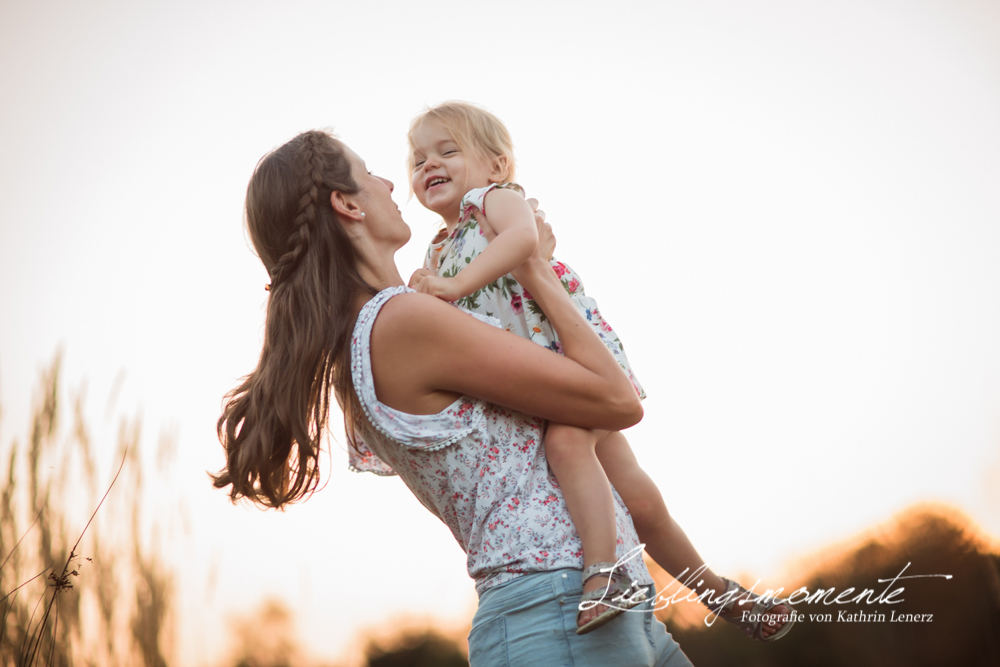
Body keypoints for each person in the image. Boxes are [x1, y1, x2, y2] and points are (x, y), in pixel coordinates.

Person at [213, 129, 696, 665]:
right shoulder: (402, 322)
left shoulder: (372, 332)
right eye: (370, 172)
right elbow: (617, 400)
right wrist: (533, 266)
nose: (391, 181)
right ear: (347, 204)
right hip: (555, 607)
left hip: (592, 603)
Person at [403, 101, 793, 639]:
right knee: (635, 498)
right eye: (418, 159)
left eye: (447, 151)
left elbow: (524, 245)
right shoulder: (439, 248)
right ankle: (719, 591)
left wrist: (450, 287)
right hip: (533, 384)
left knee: (568, 447)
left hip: (570, 360)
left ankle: (604, 576)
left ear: (496, 166)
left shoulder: (493, 202)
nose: (428, 165)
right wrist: (431, 289)